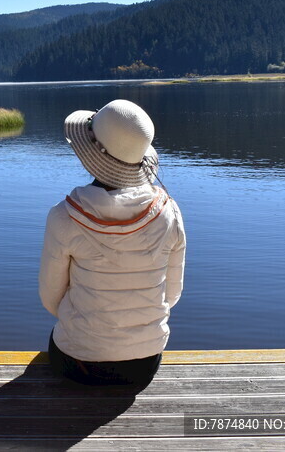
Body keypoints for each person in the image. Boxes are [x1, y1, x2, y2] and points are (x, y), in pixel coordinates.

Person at [39, 99, 185, 393]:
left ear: (89, 154)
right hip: (143, 366)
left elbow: (51, 300)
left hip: (78, 363)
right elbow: (172, 295)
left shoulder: (64, 216)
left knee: (51, 347)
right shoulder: (169, 212)